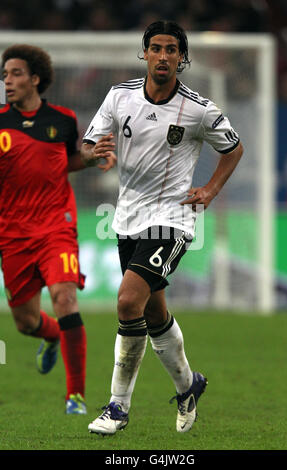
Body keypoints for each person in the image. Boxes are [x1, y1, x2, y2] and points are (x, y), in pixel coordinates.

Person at [81, 20, 243, 434]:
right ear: (146, 53)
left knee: (126, 303)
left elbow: (233, 147)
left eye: (172, 49)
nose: (164, 56)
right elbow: (88, 143)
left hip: (171, 219)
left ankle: (117, 408)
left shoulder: (198, 109)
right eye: (157, 48)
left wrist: (209, 189)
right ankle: (189, 386)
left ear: (182, 58)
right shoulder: (119, 96)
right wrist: (94, 154)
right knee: (153, 313)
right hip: (126, 218)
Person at [0, 44, 115, 414]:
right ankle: (51, 336)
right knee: (26, 321)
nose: (7, 81)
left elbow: (64, 162)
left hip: (55, 226)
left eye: (15, 73)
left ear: (36, 78)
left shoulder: (63, 120)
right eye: (4, 75)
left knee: (65, 297)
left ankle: (75, 396)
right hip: (13, 232)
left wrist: (92, 156)